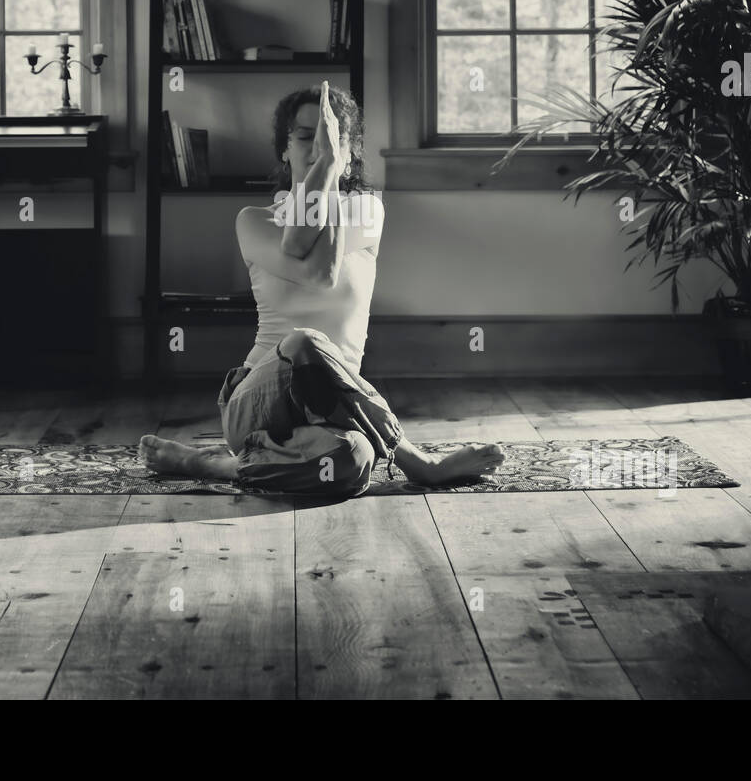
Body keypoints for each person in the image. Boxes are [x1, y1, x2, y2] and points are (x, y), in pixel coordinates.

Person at [140, 81, 504, 496]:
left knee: (351, 460)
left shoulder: (367, 210)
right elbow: (319, 273)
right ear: (283, 148)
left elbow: (302, 247)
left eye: (331, 138)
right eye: (304, 136)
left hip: (335, 414)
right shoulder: (253, 220)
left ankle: (214, 465)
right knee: (305, 343)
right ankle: (418, 462)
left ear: (349, 153)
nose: (317, 147)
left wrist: (325, 171)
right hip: (256, 404)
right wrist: (327, 167)